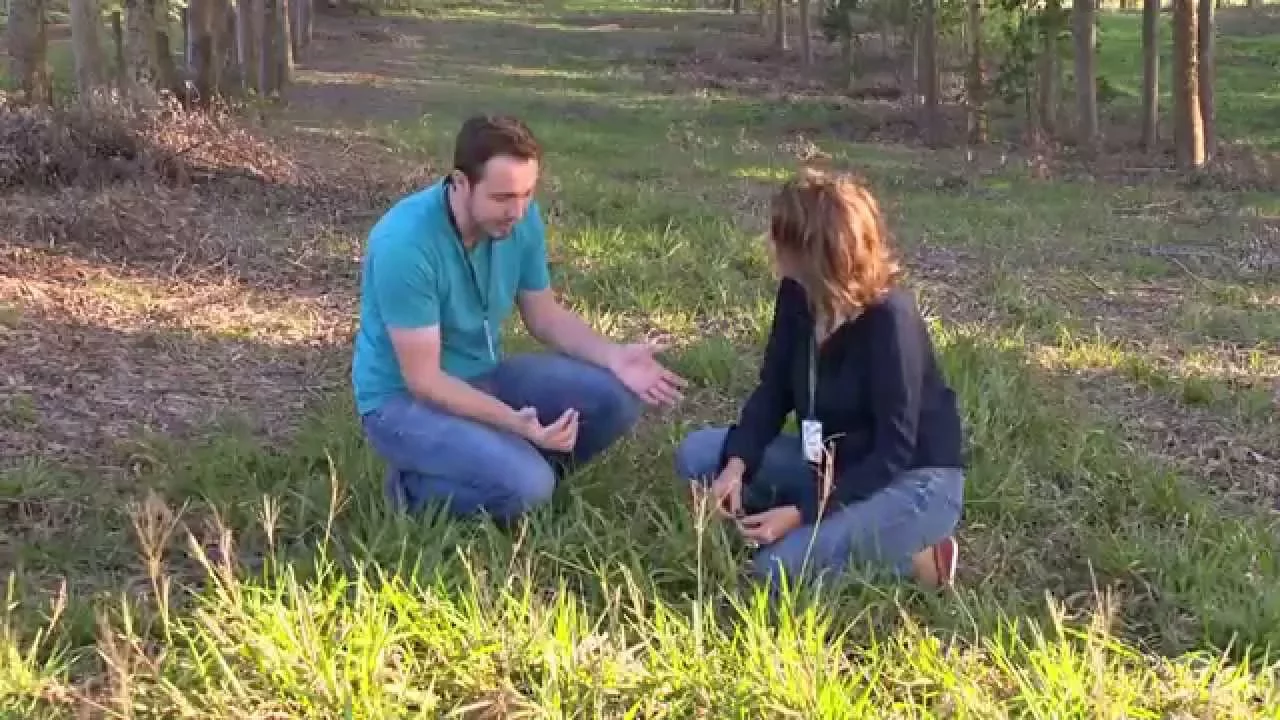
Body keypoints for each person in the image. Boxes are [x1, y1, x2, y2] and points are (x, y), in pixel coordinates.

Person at [353, 114, 687, 523]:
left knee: (614, 397)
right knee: (530, 488)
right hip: (403, 402)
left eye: (527, 193)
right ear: (460, 182)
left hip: (485, 375)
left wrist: (613, 355)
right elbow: (425, 380)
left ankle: (508, 471)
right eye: (502, 197)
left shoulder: (519, 220)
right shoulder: (405, 244)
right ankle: (412, 490)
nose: (517, 210)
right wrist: (515, 423)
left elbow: (544, 316)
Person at [674, 168, 965, 590]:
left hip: (912, 480)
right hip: (830, 464)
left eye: (783, 240)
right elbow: (773, 391)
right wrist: (736, 466)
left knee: (775, 572)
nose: (772, 248)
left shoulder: (890, 321)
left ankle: (922, 559)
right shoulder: (797, 295)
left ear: (817, 253)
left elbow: (894, 451)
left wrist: (802, 513)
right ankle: (811, 530)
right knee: (698, 455)